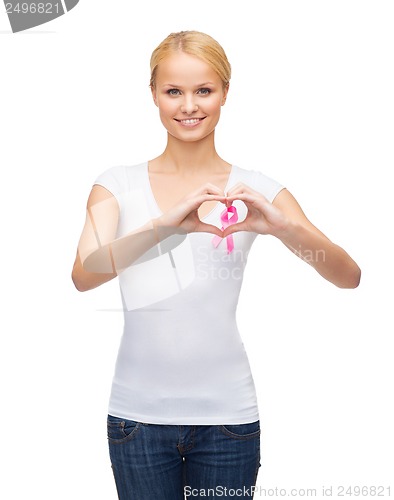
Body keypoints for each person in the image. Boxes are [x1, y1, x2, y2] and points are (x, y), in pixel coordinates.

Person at [71, 30, 361, 499]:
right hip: (137, 420)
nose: (189, 105)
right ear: (153, 94)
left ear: (226, 91)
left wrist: (285, 229)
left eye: (203, 90)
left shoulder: (257, 187)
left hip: (228, 422)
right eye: (174, 91)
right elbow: (85, 274)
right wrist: (165, 229)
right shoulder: (114, 185)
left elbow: (348, 277)